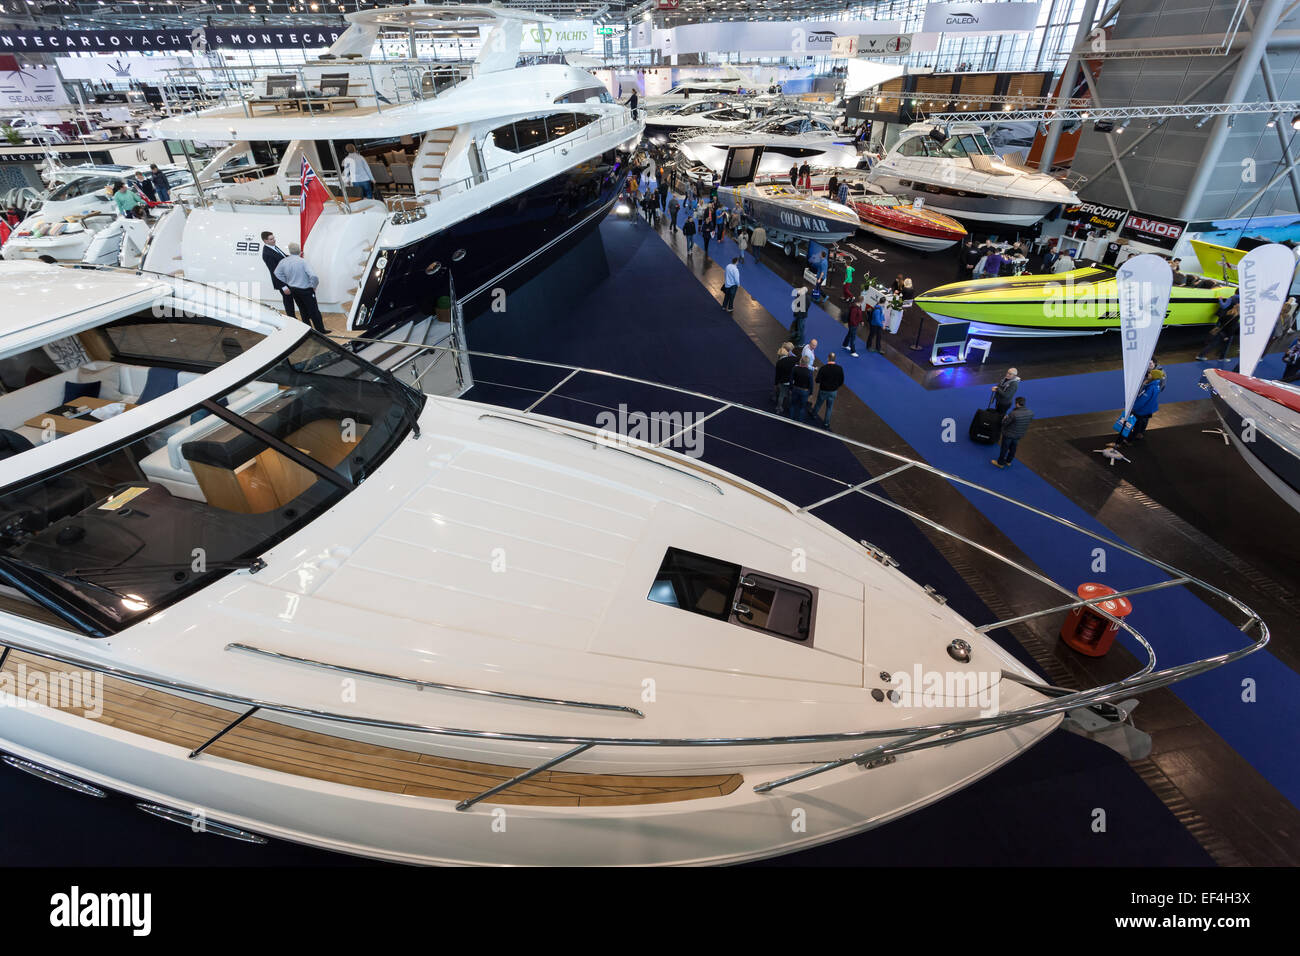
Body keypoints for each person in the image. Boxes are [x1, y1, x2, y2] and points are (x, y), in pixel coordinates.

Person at [273, 242, 326, 332]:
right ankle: (321, 330)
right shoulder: (303, 262)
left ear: (289, 251)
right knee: (314, 311)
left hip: (293, 290)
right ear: (300, 252)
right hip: (306, 290)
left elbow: (277, 273)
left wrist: (287, 281)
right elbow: (313, 276)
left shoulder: (284, 261)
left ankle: (308, 330)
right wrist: (313, 285)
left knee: (302, 310)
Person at [260, 230, 297, 320]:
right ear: (265, 241)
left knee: (291, 300)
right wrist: (283, 286)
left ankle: (293, 319)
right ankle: (291, 320)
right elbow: (274, 271)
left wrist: (295, 256)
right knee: (288, 302)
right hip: (282, 282)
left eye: (274, 238)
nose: (274, 240)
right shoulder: (267, 253)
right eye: (271, 239)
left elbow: (283, 257)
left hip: (288, 279)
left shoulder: (274, 247)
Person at [1123, 366, 1165, 443]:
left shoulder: (1150, 388)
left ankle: (1129, 440)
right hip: (1149, 409)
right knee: (1142, 423)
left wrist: (1132, 408)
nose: (1148, 374)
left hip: (1142, 410)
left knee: (1137, 425)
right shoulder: (1156, 385)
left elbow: (1142, 401)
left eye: (1150, 374)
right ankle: (1140, 434)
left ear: (1154, 377)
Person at [992, 396, 1034, 469]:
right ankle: (1008, 461)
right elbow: (1028, 422)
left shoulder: (1013, 413)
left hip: (1009, 434)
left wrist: (1004, 419)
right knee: (1013, 449)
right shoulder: (1030, 413)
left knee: (1004, 449)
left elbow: (1005, 423)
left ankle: (1000, 463)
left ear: (1017, 404)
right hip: (1019, 434)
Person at [1196, 293, 1240, 361]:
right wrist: (1227, 336)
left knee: (1215, 343)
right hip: (1226, 333)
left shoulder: (1228, 313)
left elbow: (1223, 309)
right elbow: (1231, 328)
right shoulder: (1236, 317)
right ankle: (1202, 355)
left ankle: (1221, 357)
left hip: (1221, 330)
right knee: (1220, 345)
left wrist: (1220, 299)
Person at [812, 352, 844, 428]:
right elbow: (841, 381)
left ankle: (814, 414)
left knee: (818, 403)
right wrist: (836, 386)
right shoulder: (839, 369)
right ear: (835, 359)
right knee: (829, 407)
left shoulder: (823, 368)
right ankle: (826, 423)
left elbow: (817, 380)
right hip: (833, 391)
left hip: (823, 390)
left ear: (828, 358)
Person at [773, 343, 797, 412]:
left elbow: (777, 375)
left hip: (782, 381)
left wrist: (776, 383)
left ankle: (779, 407)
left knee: (781, 395)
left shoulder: (779, 362)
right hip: (791, 380)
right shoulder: (793, 359)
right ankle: (789, 407)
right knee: (790, 394)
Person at [789, 356, 814, 422]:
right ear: (808, 363)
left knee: (793, 404)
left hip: (795, 388)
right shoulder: (810, 372)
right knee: (802, 407)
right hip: (805, 391)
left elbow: (791, 380)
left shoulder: (795, 369)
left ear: (801, 361)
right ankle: (799, 421)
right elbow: (811, 384)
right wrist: (811, 393)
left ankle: (791, 419)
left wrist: (791, 388)